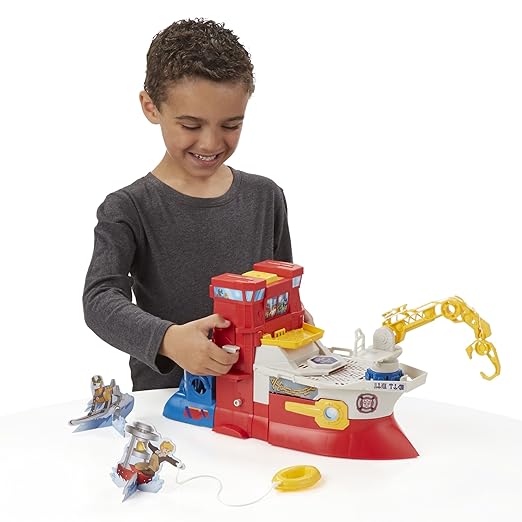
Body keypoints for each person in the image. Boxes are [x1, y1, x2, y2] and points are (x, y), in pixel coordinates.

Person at [83, 18, 310, 392]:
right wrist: (169, 340)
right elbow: (100, 299)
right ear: (151, 107)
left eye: (231, 125)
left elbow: (281, 288)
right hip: (166, 400)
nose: (210, 143)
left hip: (259, 392)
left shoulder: (266, 197)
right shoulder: (127, 208)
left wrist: (294, 320)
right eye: (190, 125)